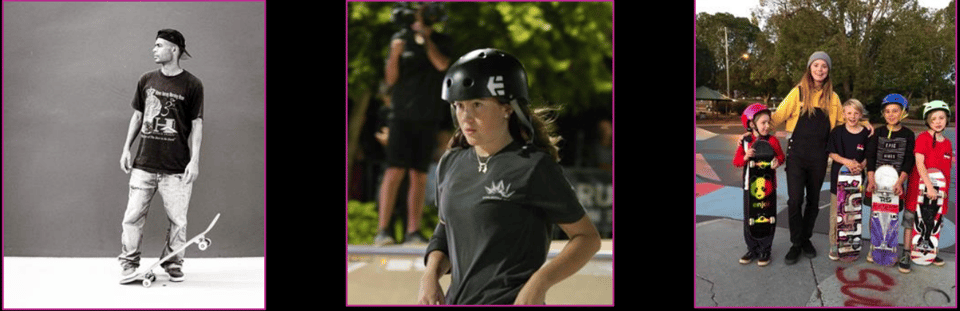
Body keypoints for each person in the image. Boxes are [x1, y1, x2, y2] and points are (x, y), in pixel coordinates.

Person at [418, 48, 601, 305]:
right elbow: (446, 229)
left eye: (477, 104)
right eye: (459, 106)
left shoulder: (533, 166)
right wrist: (430, 274)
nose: (465, 117)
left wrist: (538, 284)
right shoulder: (451, 162)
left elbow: (587, 239)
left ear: (507, 108)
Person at [758, 51, 873, 265]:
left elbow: (843, 124)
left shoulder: (834, 98)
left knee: (812, 201)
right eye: (816, 65)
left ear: (828, 71)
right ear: (810, 68)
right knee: (795, 200)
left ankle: (805, 239)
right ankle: (795, 243)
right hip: (797, 155)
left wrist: (864, 125)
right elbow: (776, 118)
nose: (820, 69)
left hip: (820, 156)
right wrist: (755, 130)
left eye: (824, 66)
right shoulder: (798, 93)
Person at [118, 29, 204, 284]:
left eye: (159, 45)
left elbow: (197, 123)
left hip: (176, 166)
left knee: (178, 219)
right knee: (132, 216)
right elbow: (137, 116)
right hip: (144, 164)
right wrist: (126, 149)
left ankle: (173, 262)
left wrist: (194, 161)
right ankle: (129, 263)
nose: (153, 49)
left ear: (174, 49)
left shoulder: (192, 84)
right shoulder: (146, 79)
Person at [376, 2, 453, 246]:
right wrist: (395, 53)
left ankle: (413, 231)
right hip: (400, 115)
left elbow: (442, 65)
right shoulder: (399, 39)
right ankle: (383, 230)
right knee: (394, 171)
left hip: (428, 115)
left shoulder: (440, 40)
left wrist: (425, 40)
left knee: (419, 175)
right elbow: (390, 79)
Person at [899, 100, 952, 273]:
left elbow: (946, 168)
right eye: (934, 118)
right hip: (919, 190)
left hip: (938, 194)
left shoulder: (948, 144)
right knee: (911, 221)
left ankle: (929, 250)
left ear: (947, 120)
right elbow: (920, 163)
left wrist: (941, 192)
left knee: (934, 222)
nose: (938, 121)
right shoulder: (923, 138)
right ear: (927, 121)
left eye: (941, 118)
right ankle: (906, 252)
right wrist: (929, 186)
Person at [864, 93, 915, 266]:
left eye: (895, 111)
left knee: (892, 217)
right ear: (883, 114)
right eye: (887, 111)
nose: (891, 114)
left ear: (903, 112)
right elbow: (870, 156)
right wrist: (870, 180)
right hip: (876, 182)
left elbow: (908, 160)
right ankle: (875, 246)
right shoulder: (877, 132)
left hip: (896, 183)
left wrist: (900, 182)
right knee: (875, 216)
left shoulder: (908, 134)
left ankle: (890, 247)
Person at [733, 103, 785, 266]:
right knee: (750, 217)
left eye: (768, 122)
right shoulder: (746, 141)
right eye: (763, 123)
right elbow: (736, 161)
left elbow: (781, 157)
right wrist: (746, 157)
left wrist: (777, 162)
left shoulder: (773, 141)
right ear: (751, 124)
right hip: (750, 188)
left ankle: (765, 249)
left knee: (768, 218)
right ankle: (752, 249)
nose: (767, 126)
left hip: (769, 188)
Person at [826, 99, 870, 260]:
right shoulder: (837, 132)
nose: (852, 116)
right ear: (843, 114)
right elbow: (831, 152)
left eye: (856, 113)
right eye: (849, 113)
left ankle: (850, 242)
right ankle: (834, 244)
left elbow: (868, 155)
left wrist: (861, 165)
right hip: (839, 179)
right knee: (836, 214)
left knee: (853, 213)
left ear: (861, 114)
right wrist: (846, 162)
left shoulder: (865, 133)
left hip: (857, 180)